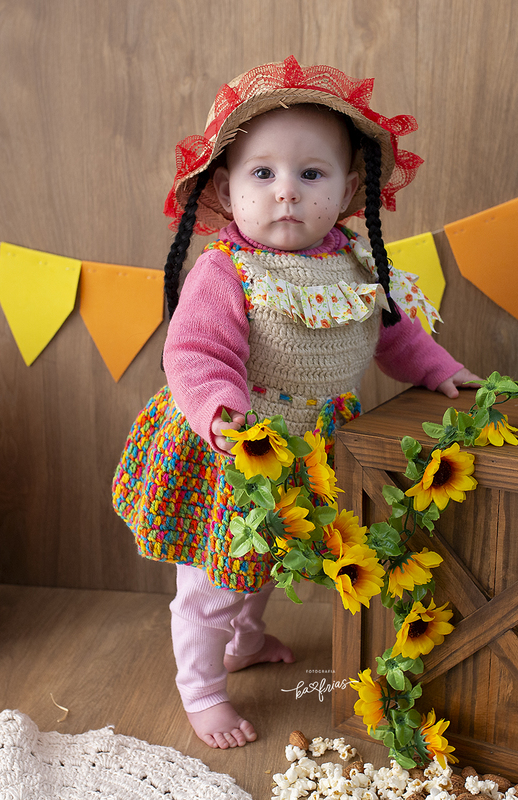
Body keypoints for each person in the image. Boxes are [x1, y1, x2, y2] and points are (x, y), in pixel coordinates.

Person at [113, 57, 479, 750]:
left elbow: (396, 341)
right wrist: (222, 411)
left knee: (272, 564)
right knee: (218, 577)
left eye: (311, 174)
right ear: (226, 187)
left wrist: (442, 372)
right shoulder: (227, 271)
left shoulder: (362, 269)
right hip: (233, 448)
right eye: (263, 174)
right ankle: (203, 689)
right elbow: (194, 354)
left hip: (310, 457)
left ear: (347, 190)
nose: (286, 193)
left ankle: (245, 641)